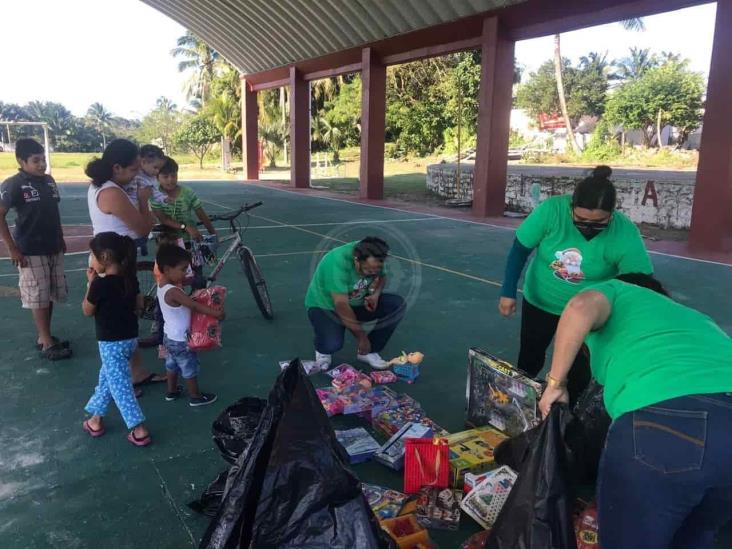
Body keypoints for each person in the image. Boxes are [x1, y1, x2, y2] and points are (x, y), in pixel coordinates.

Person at [538, 273, 732, 549]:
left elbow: (579, 307)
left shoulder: (619, 291)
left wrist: (556, 383)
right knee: (694, 536)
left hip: (669, 419)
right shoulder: (696, 319)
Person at [498, 165, 652, 401]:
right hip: (542, 302)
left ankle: (567, 421)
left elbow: (641, 282)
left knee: (580, 374)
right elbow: (520, 250)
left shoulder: (624, 232)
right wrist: (508, 291)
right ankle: (520, 404)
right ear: (571, 207)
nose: (588, 227)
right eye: (581, 219)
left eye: (599, 221)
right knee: (530, 358)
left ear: (612, 214)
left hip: (589, 316)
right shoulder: (552, 211)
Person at [85, 139, 165, 388]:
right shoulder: (110, 192)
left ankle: (136, 372)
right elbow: (142, 227)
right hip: (112, 263)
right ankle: (116, 383)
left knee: (126, 319)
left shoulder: (106, 185)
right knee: (117, 325)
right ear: (116, 167)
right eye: (132, 170)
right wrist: (144, 201)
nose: (135, 175)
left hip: (118, 259)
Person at [0, 138, 71, 360]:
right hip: (30, 249)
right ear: (22, 161)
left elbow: (52, 212)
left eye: (43, 159)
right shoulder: (13, 184)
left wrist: (60, 238)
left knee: (49, 292)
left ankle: (45, 336)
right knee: (37, 294)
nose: (42, 164)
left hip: (52, 246)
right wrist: (12, 248)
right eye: (36, 160)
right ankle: (46, 342)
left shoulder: (49, 181)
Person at [82, 232, 151, 447]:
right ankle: (95, 419)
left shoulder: (99, 285)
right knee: (108, 379)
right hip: (130, 341)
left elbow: (87, 310)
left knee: (120, 386)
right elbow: (139, 306)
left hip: (110, 345)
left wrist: (89, 285)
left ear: (104, 257)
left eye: (92, 255)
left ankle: (139, 429)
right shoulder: (130, 280)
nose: (91, 260)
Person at [305, 237, 405, 370]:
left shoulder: (376, 255)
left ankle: (368, 352)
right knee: (332, 344)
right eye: (368, 270)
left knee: (396, 305)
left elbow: (382, 276)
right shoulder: (336, 261)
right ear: (356, 260)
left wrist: (375, 295)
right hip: (325, 306)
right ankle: (323, 351)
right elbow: (341, 305)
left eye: (375, 269)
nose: (372, 273)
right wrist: (362, 338)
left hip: (356, 302)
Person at [156, 244, 222, 406]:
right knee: (188, 367)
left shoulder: (162, 285)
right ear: (166, 269)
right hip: (181, 339)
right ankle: (195, 396)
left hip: (169, 336)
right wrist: (215, 313)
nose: (185, 273)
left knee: (171, 364)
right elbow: (194, 306)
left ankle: (171, 391)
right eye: (183, 269)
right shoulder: (174, 292)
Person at [150, 156, 217, 289]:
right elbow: (163, 219)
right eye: (165, 176)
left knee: (197, 280)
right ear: (157, 177)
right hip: (168, 244)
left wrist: (212, 232)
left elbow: (201, 213)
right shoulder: (155, 195)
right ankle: (165, 306)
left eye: (173, 175)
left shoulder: (187, 192)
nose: (170, 180)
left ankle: (195, 305)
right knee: (170, 283)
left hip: (190, 242)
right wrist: (185, 227)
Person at [123, 144, 167, 257]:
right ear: (143, 162)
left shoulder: (152, 179)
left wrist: (164, 199)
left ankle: (142, 243)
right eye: (155, 167)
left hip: (138, 206)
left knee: (147, 223)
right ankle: (140, 243)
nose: (157, 172)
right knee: (136, 226)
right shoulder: (133, 173)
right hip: (127, 205)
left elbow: (156, 192)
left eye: (159, 169)